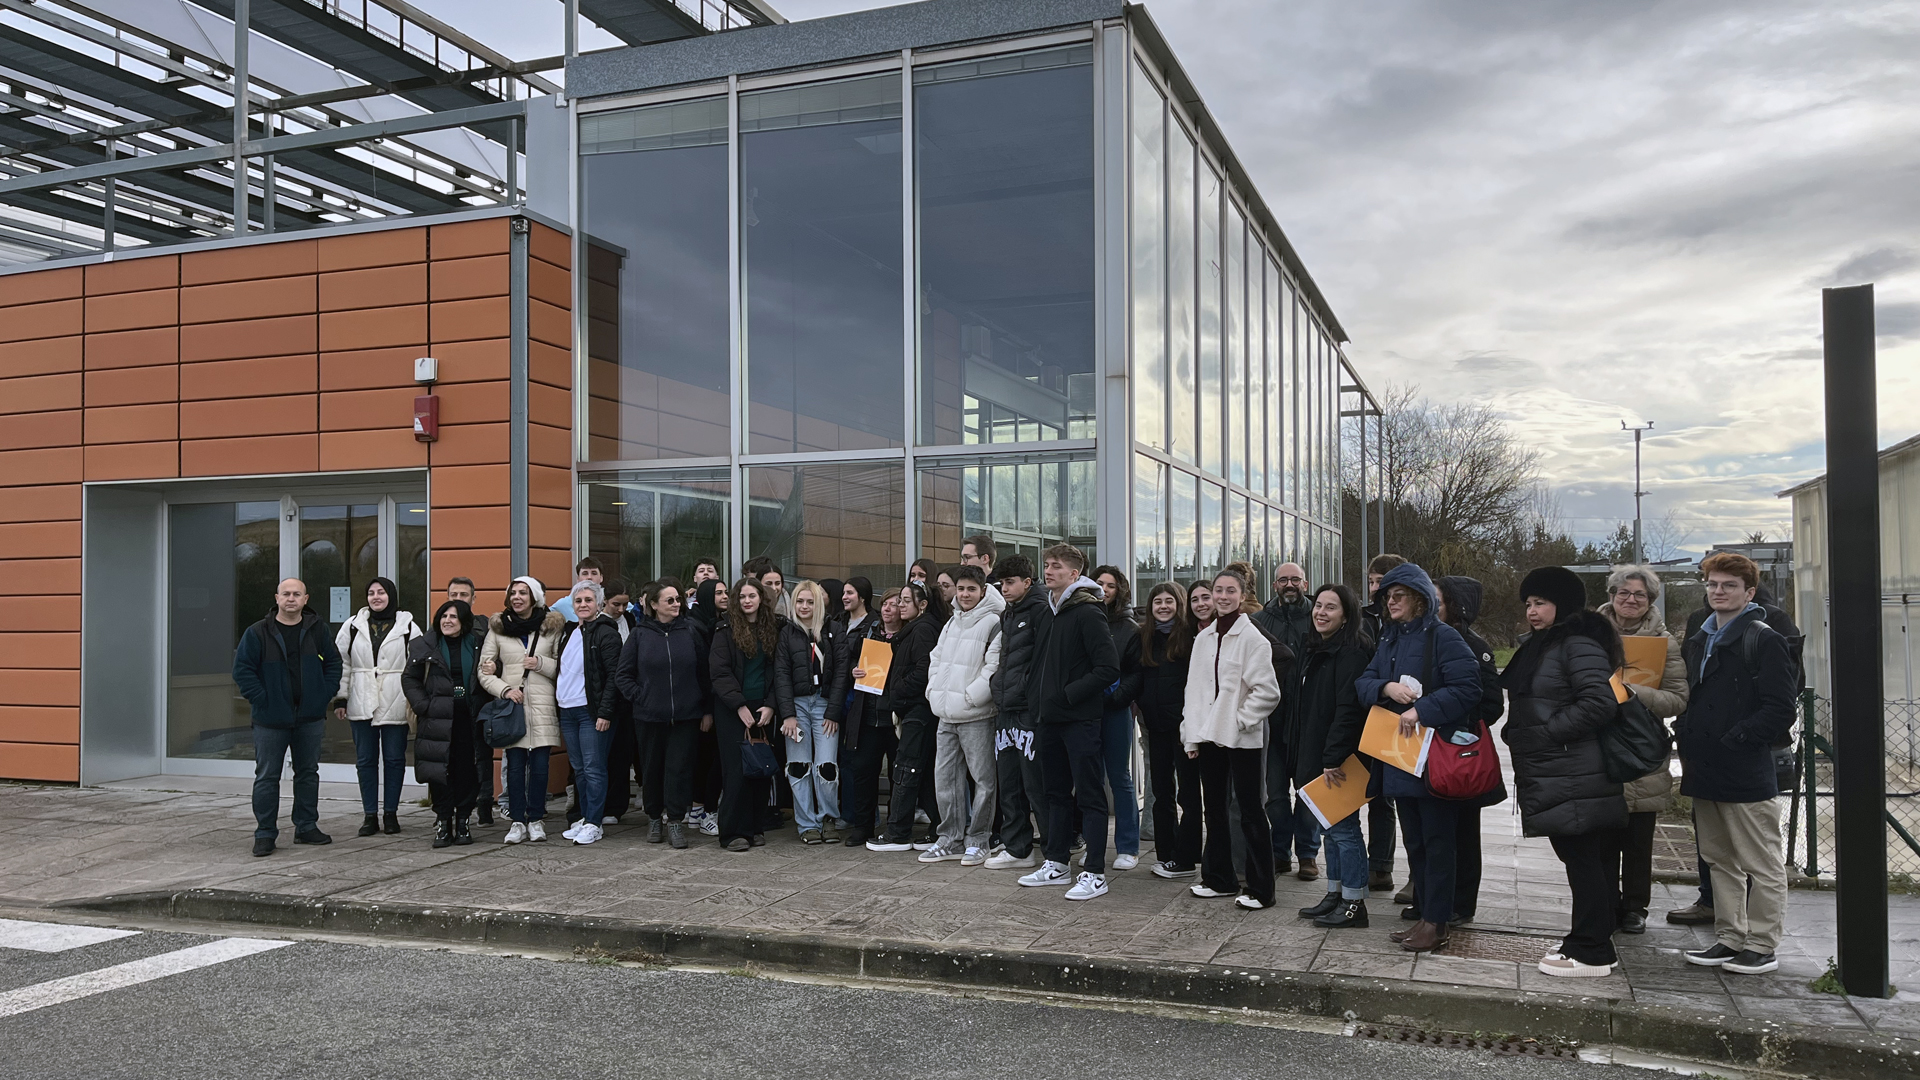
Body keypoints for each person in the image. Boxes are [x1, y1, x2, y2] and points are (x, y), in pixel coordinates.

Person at [1499, 566, 1631, 977]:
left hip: (1574, 770)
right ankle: (1590, 936)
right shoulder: (1549, 644)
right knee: (1585, 856)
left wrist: (1545, 734)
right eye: (1528, 604)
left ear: (1564, 605)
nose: (1531, 612)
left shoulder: (1577, 644)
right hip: (1562, 771)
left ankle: (1592, 950)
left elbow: (1600, 702)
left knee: (1583, 856)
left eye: (1540, 603)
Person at [1676, 552, 1795, 976]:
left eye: (1728, 585)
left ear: (1748, 592)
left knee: (1760, 862)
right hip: (1705, 768)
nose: (1718, 592)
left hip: (1744, 770)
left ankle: (1761, 944)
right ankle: (1730, 937)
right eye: (1712, 584)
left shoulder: (1763, 638)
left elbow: (1781, 708)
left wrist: (1737, 739)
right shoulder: (1700, 638)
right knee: (1718, 858)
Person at [1355, 562, 1480, 953]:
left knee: (1438, 843)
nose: (1391, 603)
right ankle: (1425, 915)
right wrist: (1387, 687)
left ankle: (1438, 922)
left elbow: (1469, 686)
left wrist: (1421, 710)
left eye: (1399, 596)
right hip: (1400, 758)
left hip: (1434, 760)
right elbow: (1363, 683)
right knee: (1417, 843)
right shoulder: (1388, 639)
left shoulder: (1442, 637)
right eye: (1387, 597)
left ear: (1419, 600)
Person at [1017, 544, 1121, 901]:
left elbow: (1108, 668)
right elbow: (1038, 663)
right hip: (1047, 719)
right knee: (1054, 794)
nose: (1048, 571)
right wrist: (1037, 699)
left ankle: (1094, 872)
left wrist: (1068, 695)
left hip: (1078, 719)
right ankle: (1057, 863)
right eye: (1046, 565)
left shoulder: (1088, 612)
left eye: (1056, 566)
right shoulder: (1047, 612)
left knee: (1090, 797)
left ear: (1075, 574)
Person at [1183, 568, 1285, 910]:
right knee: (1213, 809)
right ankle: (1219, 878)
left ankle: (1261, 888)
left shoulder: (1252, 637)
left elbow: (1267, 692)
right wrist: (1191, 736)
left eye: (1230, 591)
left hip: (1242, 739)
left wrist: (1238, 722)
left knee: (1250, 810)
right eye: (1218, 590)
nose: (1223, 596)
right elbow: (1194, 692)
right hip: (1208, 738)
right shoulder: (1204, 638)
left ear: (1242, 596)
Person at [1598, 565, 1689, 935]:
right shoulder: (1589, 635)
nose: (1630, 600)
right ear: (1612, 595)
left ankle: (1635, 907)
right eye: (1623, 593)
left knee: (1638, 837)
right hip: (1597, 743)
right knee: (1599, 833)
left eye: (1639, 595)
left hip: (1641, 747)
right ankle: (1602, 901)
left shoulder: (1665, 643)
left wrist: (1635, 692)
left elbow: (1678, 699)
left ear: (1650, 600)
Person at [232, 578, 342, 857]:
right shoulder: (258, 632)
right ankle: (265, 833)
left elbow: (334, 663)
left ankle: (306, 827)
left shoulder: (317, 630)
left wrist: (323, 694)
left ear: (306, 599)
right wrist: (263, 699)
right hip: (270, 719)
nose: (291, 598)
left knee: (307, 774)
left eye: (296, 594)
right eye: (286, 594)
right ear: (277, 598)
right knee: (267, 776)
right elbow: (243, 670)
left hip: (310, 717)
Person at [1291, 584, 1376, 927]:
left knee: (1344, 830)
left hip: (1339, 759)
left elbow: (1348, 710)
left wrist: (1333, 756)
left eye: (1331, 607)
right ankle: (1336, 893)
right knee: (1330, 828)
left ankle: (1355, 903)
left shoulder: (1352, 652)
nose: (1321, 612)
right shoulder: (1315, 648)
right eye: (1319, 606)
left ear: (1346, 615)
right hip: (1315, 753)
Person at [1428, 574, 1508, 925]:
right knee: (1435, 831)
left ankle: (1461, 903)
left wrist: (1459, 728)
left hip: (1457, 753)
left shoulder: (1474, 647)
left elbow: (1491, 704)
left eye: (1438, 601)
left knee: (1463, 832)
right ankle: (1433, 899)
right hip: (1430, 750)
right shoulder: (1428, 638)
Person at [615, 580, 712, 849]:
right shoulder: (640, 635)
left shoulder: (691, 631)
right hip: (649, 717)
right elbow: (623, 675)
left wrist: (705, 709)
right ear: (654, 605)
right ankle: (655, 818)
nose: (676, 604)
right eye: (669, 600)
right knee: (652, 769)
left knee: (679, 770)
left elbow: (704, 674)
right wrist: (641, 696)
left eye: (678, 599)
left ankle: (676, 821)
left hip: (686, 716)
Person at [923, 564, 1006, 865]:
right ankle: (950, 839)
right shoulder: (951, 622)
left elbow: (993, 668)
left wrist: (972, 697)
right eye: (961, 588)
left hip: (976, 715)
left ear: (983, 590)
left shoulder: (994, 622)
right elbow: (936, 659)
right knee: (945, 779)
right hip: (945, 713)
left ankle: (980, 839)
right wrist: (934, 691)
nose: (965, 594)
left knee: (983, 780)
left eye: (972, 589)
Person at [333, 576, 422, 838]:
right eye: (371, 593)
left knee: (394, 760)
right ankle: (369, 815)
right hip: (361, 698)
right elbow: (342, 664)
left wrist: (414, 699)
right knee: (365, 761)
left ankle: (391, 814)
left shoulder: (408, 626)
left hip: (396, 699)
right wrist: (341, 697)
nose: (376, 597)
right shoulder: (352, 626)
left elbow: (417, 666)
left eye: (381, 592)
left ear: (390, 595)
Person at [480, 577, 564, 844]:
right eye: (513, 593)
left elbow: (562, 667)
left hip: (542, 706)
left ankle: (536, 818)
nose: (517, 597)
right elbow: (484, 670)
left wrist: (540, 663)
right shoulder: (498, 628)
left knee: (540, 767)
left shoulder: (551, 627)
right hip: (512, 707)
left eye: (523, 593)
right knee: (515, 767)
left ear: (534, 597)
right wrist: (504, 690)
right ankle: (517, 820)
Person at [867, 582, 949, 851]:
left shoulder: (923, 629)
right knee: (921, 771)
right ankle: (938, 829)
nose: (899, 605)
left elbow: (924, 668)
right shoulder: (914, 629)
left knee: (906, 768)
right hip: (913, 708)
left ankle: (898, 833)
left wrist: (898, 690)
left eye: (905, 600)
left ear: (922, 604)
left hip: (918, 709)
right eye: (898, 600)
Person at [403, 598, 490, 847]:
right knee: (439, 772)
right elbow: (410, 678)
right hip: (436, 719)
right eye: (444, 616)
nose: (447, 621)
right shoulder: (425, 645)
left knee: (467, 771)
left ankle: (463, 821)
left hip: (469, 719)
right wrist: (423, 706)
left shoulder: (478, 644)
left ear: (464, 621)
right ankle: (443, 822)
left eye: (453, 617)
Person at [708, 577, 781, 852]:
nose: (747, 601)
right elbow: (719, 672)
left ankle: (754, 827)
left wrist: (772, 704)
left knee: (760, 770)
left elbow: (778, 671)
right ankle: (732, 832)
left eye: (752, 596)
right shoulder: (724, 630)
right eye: (742, 597)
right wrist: (739, 705)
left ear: (761, 598)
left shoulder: (774, 628)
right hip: (732, 709)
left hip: (763, 706)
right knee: (736, 772)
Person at [1254, 562, 1317, 879]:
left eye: (1295, 579)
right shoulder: (1258, 621)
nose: (1289, 584)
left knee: (1308, 793)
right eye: (1283, 580)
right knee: (1275, 795)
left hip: (1308, 723)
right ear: (1274, 585)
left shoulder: (1318, 618)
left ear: (1306, 583)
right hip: (1273, 723)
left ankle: (1307, 854)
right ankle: (1279, 852)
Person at [1133, 582, 1199, 880]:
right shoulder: (1143, 637)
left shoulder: (1190, 637)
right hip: (1155, 725)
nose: (1163, 606)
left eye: (1169, 601)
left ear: (1179, 604)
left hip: (1185, 727)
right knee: (1161, 793)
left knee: (1188, 793)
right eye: (1157, 601)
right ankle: (1166, 854)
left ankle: (1187, 856)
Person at [987, 555, 1047, 870]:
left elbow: (1042, 663)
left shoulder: (1040, 609)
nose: (1004, 588)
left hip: (1028, 710)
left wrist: (1026, 694)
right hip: (1006, 708)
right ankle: (1018, 849)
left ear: (1027, 582)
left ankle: (1053, 854)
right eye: (1001, 583)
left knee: (1037, 786)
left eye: (1010, 582)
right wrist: (998, 687)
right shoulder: (1010, 612)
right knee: (1009, 783)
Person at [553, 581, 623, 846]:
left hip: (590, 712)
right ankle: (584, 817)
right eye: (578, 601)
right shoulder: (570, 633)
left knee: (594, 769)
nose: (583, 605)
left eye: (588, 600)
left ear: (599, 604)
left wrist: (605, 713)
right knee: (580, 769)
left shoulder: (606, 633)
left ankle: (595, 823)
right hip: (567, 710)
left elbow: (613, 677)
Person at [779, 580, 845, 844]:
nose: (804, 606)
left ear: (819, 604)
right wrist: (787, 714)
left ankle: (828, 817)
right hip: (796, 706)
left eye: (810, 602)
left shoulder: (834, 630)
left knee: (826, 767)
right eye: (799, 601)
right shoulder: (787, 633)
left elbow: (841, 673)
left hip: (824, 705)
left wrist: (833, 710)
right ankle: (806, 824)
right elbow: (781, 674)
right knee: (798, 767)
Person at [834, 578, 897, 847]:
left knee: (898, 775)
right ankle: (862, 826)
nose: (889, 610)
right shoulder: (869, 632)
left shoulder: (912, 635)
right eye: (886, 605)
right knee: (863, 771)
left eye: (896, 605)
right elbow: (847, 663)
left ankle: (895, 826)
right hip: (868, 714)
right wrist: (853, 671)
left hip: (896, 717)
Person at [1362, 553, 1408, 894]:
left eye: (1383, 582)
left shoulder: (1405, 625)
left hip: (1398, 718)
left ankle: (1384, 867)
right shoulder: (1362, 618)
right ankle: (1369, 864)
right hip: (1366, 710)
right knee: (1369, 792)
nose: (1377, 589)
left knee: (1394, 797)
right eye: (1372, 582)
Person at [1093, 566, 1144, 871]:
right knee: (1090, 779)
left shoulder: (1130, 628)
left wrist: (1117, 698)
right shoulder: (1083, 618)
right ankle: (1094, 844)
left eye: (1110, 585)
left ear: (1119, 590)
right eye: (1099, 583)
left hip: (1115, 710)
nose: (1104, 589)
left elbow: (1136, 673)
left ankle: (1128, 846)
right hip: (1085, 711)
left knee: (1119, 777)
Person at [445, 576, 497, 826]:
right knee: (449, 758)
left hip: (478, 702)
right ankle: (447, 809)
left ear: (473, 599)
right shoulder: (439, 628)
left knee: (481, 756)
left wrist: (494, 665)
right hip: (448, 706)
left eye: (463, 595)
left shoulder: (485, 629)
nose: (458, 600)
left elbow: (501, 656)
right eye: (453, 595)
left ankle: (484, 805)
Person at [683, 577, 729, 835]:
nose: (724, 597)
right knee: (706, 760)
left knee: (711, 759)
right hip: (704, 705)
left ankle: (701, 808)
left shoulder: (718, 623)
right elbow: (702, 672)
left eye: (726, 592)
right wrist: (706, 710)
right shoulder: (696, 627)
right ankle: (701, 809)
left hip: (717, 702)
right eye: (718, 593)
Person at [600, 577, 642, 824]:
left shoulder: (629, 620)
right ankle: (607, 806)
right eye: (616, 604)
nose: (621, 609)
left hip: (629, 694)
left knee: (624, 752)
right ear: (605, 601)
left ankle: (619, 803)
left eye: (625, 604)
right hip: (609, 693)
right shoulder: (598, 624)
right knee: (608, 753)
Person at [549, 557, 604, 622]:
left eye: (594, 573)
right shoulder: (564, 604)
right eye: (585, 573)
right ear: (578, 578)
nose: (589, 577)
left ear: (601, 578)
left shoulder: (609, 602)